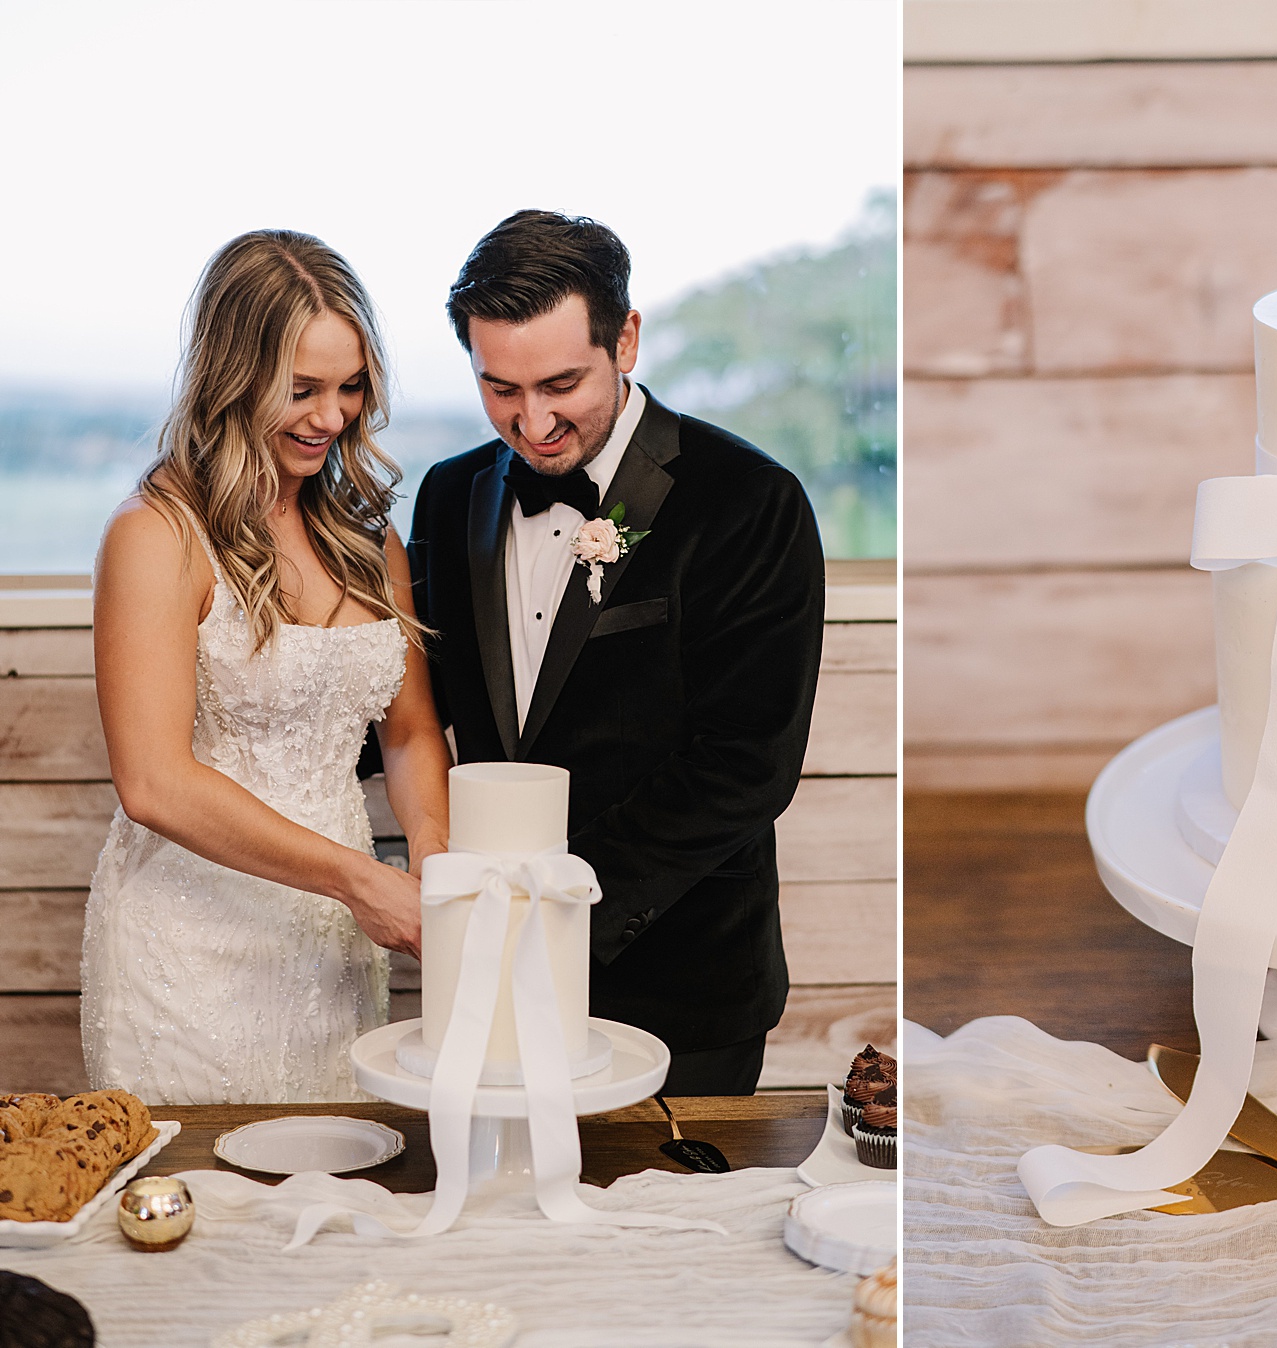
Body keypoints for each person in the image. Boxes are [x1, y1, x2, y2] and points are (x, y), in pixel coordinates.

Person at [408, 210, 826, 1095]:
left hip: (682, 986)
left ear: (626, 339)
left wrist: (558, 913)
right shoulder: (449, 498)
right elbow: (425, 699)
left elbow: (748, 763)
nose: (534, 421)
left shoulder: (749, 500)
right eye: (501, 390)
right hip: (489, 986)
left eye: (562, 383)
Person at [83, 231, 450, 1105]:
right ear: (231, 378)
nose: (333, 417)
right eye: (302, 391)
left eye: (351, 387)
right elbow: (153, 783)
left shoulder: (367, 539)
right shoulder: (155, 535)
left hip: (337, 944)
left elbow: (409, 731)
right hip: (190, 948)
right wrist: (362, 880)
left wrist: (431, 855)